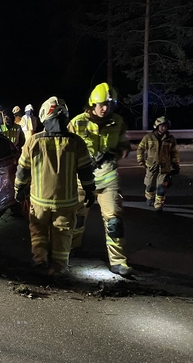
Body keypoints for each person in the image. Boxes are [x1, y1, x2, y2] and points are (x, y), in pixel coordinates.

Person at [14, 96, 95, 275]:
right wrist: (90, 190)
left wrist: (19, 189)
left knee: (38, 230)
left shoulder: (33, 142)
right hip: (66, 202)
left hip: (39, 200)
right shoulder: (76, 143)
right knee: (63, 233)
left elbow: (22, 170)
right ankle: (58, 268)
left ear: (44, 117)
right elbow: (86, 171)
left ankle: (40, 260)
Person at [68, 82, 133, 277]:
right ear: (92, 104)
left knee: (114, 221)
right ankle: (72, 248)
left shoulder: (118, 122)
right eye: (102, 104)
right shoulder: (77, 123)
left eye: (109, 104)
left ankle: (119, 262)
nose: (105, 108)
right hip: (82, 180)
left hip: (107, 179)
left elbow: (124, 146)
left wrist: (112, 154)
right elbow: (66, 149)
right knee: (77, 219)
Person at [136, 116, 180, 212]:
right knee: (150, 185)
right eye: (162, 126)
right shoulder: (148, 137)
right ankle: (149, 197)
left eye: (166, 126)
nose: (164, 128)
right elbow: (140, 149)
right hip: (151, 166)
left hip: (165, 167)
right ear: (157, 126)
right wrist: (141, 161)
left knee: (161, 187)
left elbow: (174, 153)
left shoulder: (170, 139)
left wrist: (175, 165)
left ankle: (159, 204)